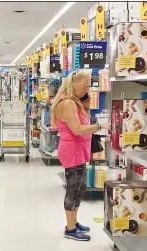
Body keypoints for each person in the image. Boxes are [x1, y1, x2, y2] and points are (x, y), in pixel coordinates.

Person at [50, 69, 109, 241]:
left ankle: (74, 223)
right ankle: (70, 229)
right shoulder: (67, 103)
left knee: (80, 188)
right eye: (84, 85)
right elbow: (77, 129)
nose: (87, 88)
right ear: (72, 84)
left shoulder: (74, 103)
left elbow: (81, 122)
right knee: (73, 190)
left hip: (79, 150)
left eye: (88, 85)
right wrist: (100, 126)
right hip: (72, 151)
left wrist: (86, 104)